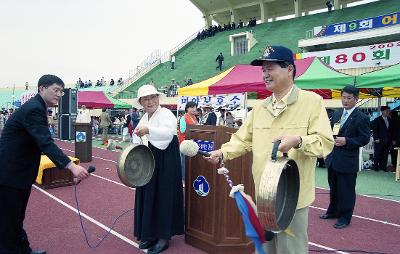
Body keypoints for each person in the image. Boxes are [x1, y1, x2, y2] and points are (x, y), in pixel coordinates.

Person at [204, 45, 334, 254]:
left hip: (293, 198)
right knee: (264, 248)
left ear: (289, 69)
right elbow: (242, 140)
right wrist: (223, 153)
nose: (265, 74)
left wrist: (298, 141)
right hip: (264, 195)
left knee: (291, 250)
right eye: (263, 69)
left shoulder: (312, 102)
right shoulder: (260, 108)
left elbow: (325, 144)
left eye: (270, 68)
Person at [0, 74, 90, 254]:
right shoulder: (34, 109)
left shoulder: (38, 108)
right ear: (42, 89)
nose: (59, 94)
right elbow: (45, 143)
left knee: (16, 218)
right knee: (9, 220)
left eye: (61, 92)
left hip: (18, 172)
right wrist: (71, 166)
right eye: (55, 90)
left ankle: (23, 250)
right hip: (11, 172)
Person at [131, 85, 184, 254]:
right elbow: (136, 136)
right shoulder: (145, 117)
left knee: (164, 195)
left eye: (153, 97)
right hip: (149, 161)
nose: (150, 101)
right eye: (146, 99)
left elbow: (167, 134)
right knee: (149, 194)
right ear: (141, 102)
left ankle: (163, 237)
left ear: (158, 98)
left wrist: (149, 131)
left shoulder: (166, 114)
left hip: (165, 160)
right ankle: (150, 233)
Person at [320, 85, 370, 229]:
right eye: (343, 97)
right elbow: (330, 133)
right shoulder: (336, 113)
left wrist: (347, 141)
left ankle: (345, 217)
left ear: (356, 99)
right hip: (333, 158)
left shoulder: (362, 118)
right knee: (333, 187)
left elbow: (364, 138)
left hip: (348, 160)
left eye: (349, 98)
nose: (345, 101)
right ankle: (333, 211)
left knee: (346, 191)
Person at [372, 106, 392, 171]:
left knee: (385, 154)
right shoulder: (377, 120)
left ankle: (383, 167)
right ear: (382, 111)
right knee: (377, 154)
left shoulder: (390, 120)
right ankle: (375, 167)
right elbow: (375, 130)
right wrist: (376, 138)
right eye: (387, 111)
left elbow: (391, 130)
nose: (388, 112)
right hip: (379, 140)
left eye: (389, 111)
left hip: (388, 141)